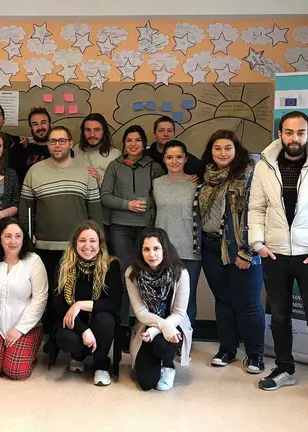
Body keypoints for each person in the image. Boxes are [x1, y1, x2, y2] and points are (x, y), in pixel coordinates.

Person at [248, 111, 308, 407]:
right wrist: (258, 243)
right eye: (289, 132)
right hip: (275, 254)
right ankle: (285, 368)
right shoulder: (265, 166)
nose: (294, 138)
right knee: (279, 316)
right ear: (280, 133)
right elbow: (256, 207)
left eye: (300, 132)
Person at [19, 126, 103, 331]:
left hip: (78, 249)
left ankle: (76, 334)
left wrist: (97, 243)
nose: (57, 145)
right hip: (44, 246)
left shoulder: (85, 172)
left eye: (62, 141)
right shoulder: (34, 171)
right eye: (53, 141)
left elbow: (95, 213)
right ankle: (53, 335)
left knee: (75, 293)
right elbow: (25, 211)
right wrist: (28, 239)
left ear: (70, 143)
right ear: (48, 144)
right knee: (47, 293)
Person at [194, 130, 265, 374]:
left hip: (240, 249)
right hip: (210, 247)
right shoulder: (205, 177)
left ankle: (256, 355)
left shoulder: (249, 175)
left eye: (227, 148)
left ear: (236, 150)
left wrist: (248, 251)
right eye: (217, 148)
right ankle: (227, 349)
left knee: (247, 304)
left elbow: (256, 215)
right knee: (223, 301)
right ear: (210, 151)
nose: (222, 153)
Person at [101, 125, 163, 349]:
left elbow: (164, 192)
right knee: (126, 275)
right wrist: (127, 205)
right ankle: (123, 324)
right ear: (124, 144)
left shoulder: (154, 167)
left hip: (146, 229)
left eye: (138, 140)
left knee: (146, 276)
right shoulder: (114, 166)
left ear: (144, 143)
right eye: (129, 140)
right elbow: (104, 196)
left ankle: (145, 324)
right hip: (120, 228)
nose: (133, 144)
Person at [47, 221, 122, 386]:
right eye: (82, 240)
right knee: (65, 337)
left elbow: (113, 304)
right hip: (74, 323)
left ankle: (101, 366)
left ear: (100, 243)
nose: (87, 246)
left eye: (93, 241)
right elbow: (57, 306)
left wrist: (79, 305)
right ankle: (78, 356)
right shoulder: (64, 265)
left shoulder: (111, 264)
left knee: (105, 320)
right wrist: (84, 329)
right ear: (75, 243)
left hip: (99, 320)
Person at [0, 218, 48, 380]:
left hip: (26, 325)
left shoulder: (33, 261)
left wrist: (19, 329)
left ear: (24, 238)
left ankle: (24, 352)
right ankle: (3, 351)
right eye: (8, 236)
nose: (13, 241)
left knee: (15, 371)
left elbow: (40, 299)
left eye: (18, 236)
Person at [126, 228, 193, 391]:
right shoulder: (132, 273)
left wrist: (158, 330)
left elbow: (179, 313)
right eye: (146, 249)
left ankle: (168, 366)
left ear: (165, 249)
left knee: (166, 342)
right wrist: (158, 328)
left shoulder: (181, 273)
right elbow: (141, 313)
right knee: (146, 383)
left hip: (174, 325)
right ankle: (153, 361)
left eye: (156, 249)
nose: (152, 255)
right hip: (146, 328)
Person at [152, 140, 202, 329]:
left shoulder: (195, 183)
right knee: (162, 296)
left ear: (186, 158)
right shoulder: (156, 183)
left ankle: (184, 340)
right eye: (170, 157)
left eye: (179, 157)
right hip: (162, 250)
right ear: (164, 159)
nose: (174, 161)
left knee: (187, 298)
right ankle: (165, 340)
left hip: (189, 248)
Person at [8, 107, 51, 183]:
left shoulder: (59, 149)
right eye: (35, 124)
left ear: (50, 124)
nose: (40, 127)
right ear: (30, 128)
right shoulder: (23, 150)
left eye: (43, 122)